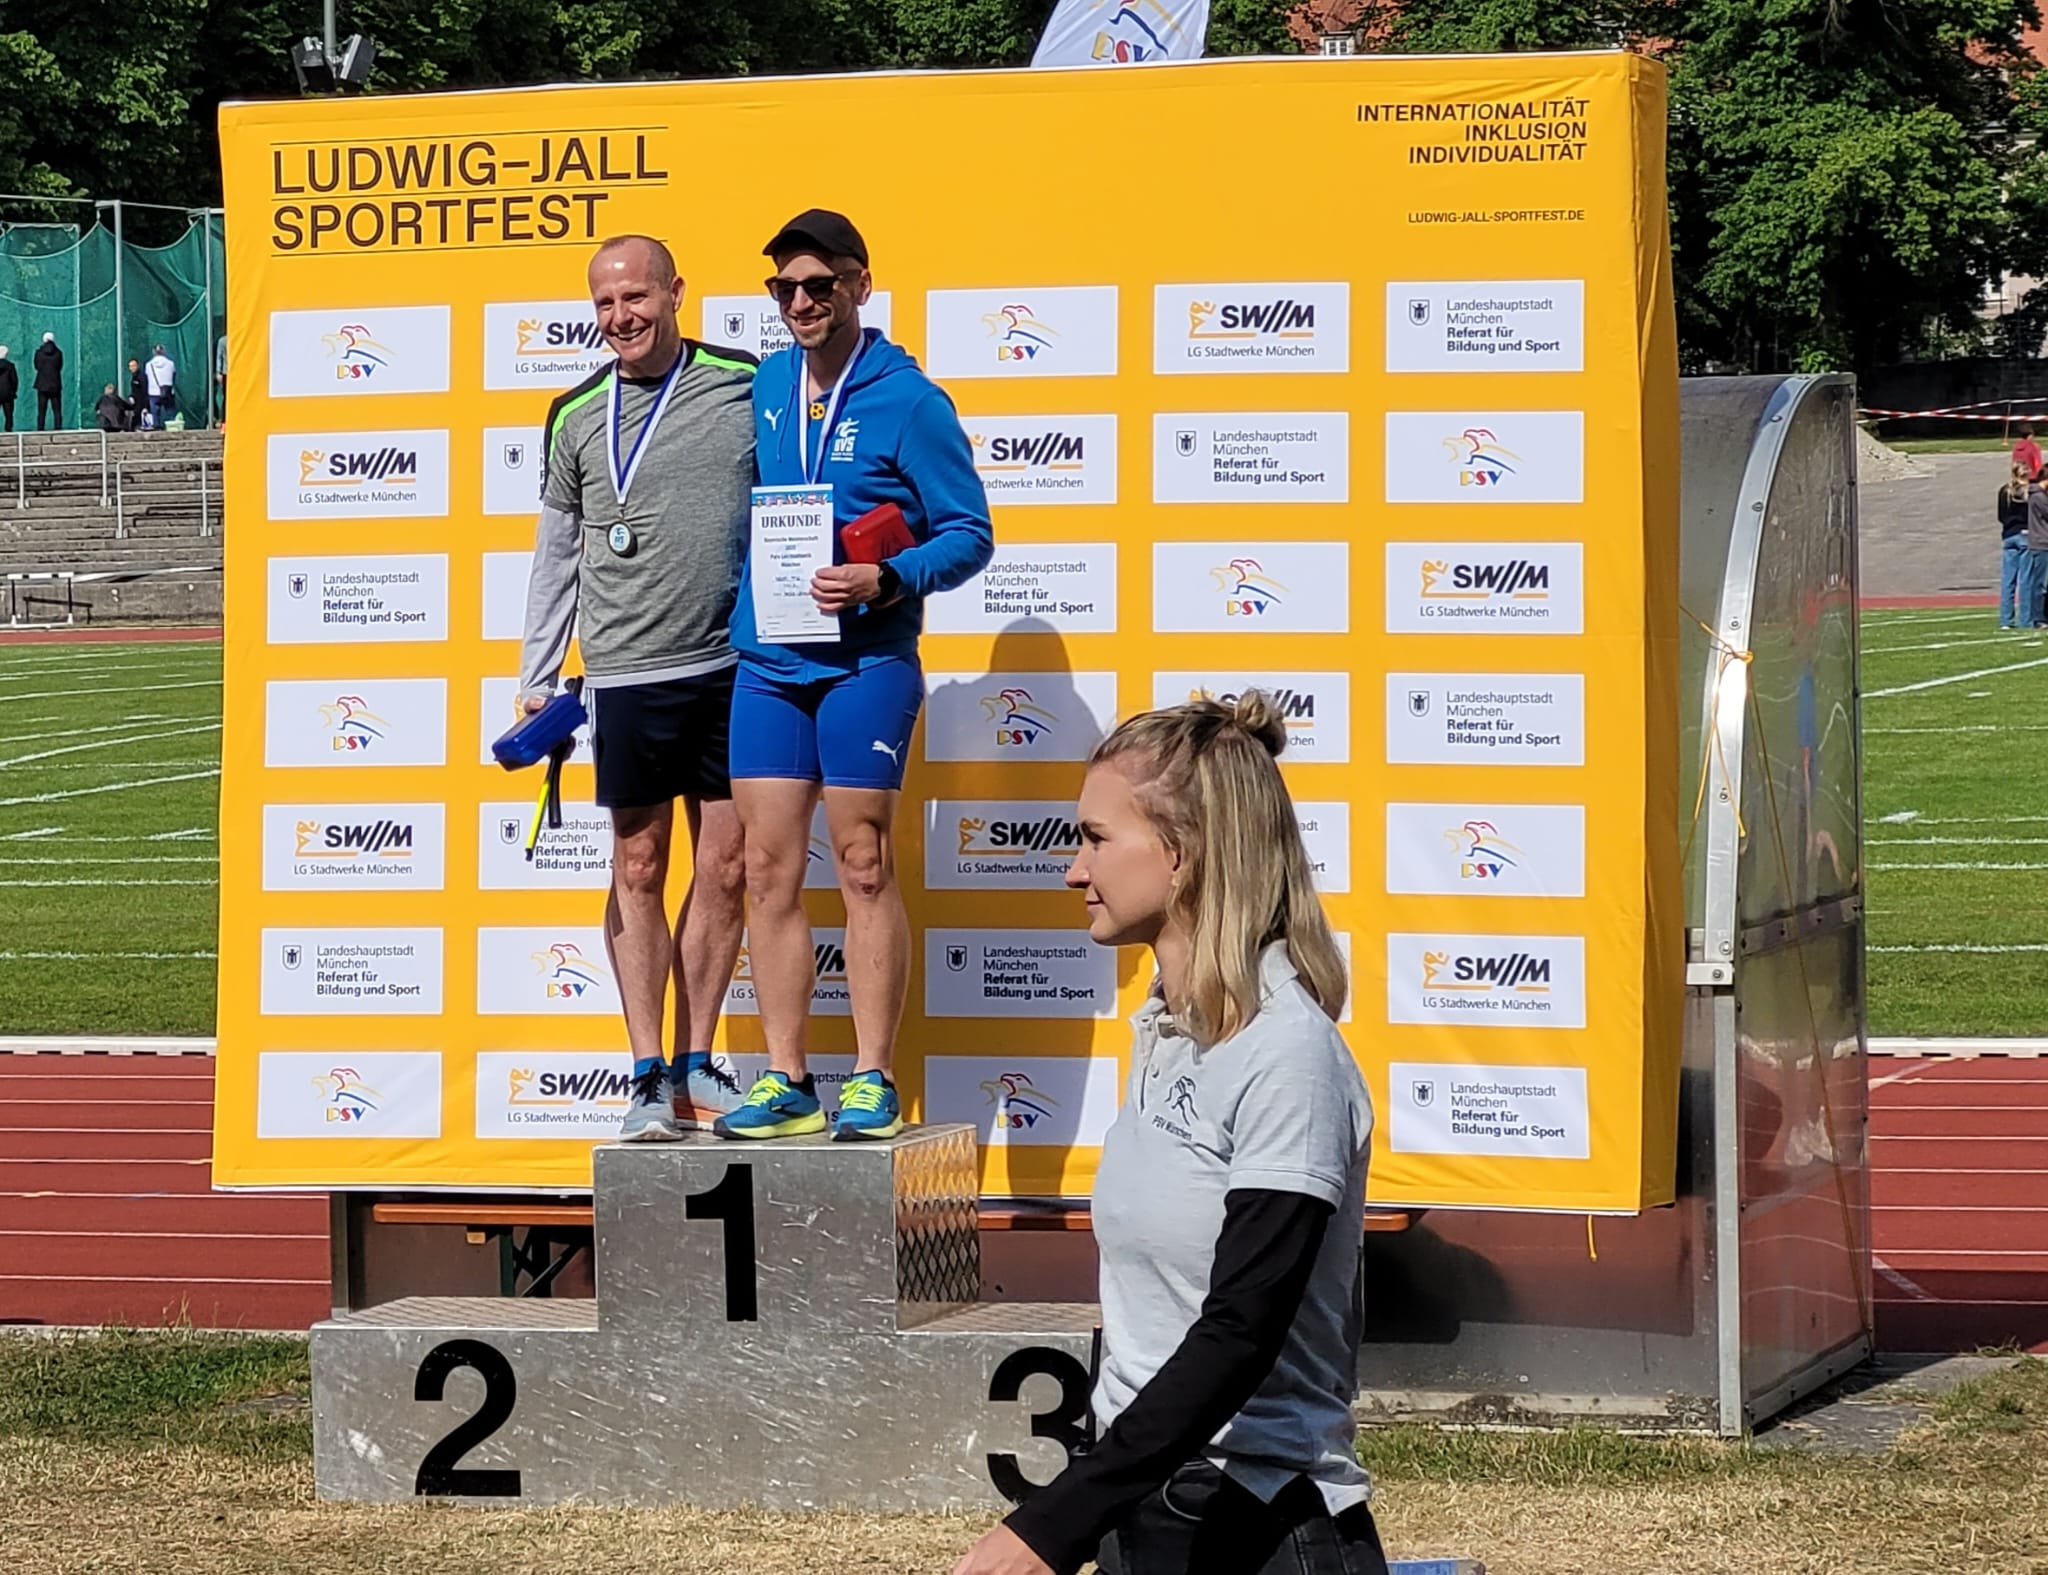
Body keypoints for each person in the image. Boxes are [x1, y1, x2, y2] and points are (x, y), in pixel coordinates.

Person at [952, 695, 1384, 1575]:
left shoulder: (1289, 1055)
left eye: (1095, 838)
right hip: (1142, 1519)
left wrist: (1050, 1523)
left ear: (1180, 857)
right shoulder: (1163, 1032)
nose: (1073, 870)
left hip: (1258, 1532)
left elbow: (1237, 1332)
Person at [714, 209, 993, 1143]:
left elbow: (970, 533)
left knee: (864, 862)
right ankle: (788, 1078)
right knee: (765, 868)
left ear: (860, 286)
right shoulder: (768, 383)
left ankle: (872, 1076)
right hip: (770, 661)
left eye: (818, 286)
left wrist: (890, 576)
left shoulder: (911, 399)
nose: (799, 303)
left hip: (865, 660)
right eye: (783, 289)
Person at [518, 234, 758, 1142]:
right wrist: (537, 678)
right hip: (625, 671)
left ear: (675, 293)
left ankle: (699, 1065)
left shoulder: (743, 384)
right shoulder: (575, 412)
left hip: (734, 668)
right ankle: (647, 1073)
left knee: (729, 869)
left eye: (637, 298)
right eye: (605, 304)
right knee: (639, 867)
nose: (621, 317)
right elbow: (555, 554)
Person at [2001, 464, 2031, 629]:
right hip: (2025, 534)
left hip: (2008, 535)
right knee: (2026, 580)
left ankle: (2006, 620)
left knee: (2008, 580)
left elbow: (2001, 515)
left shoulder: (2005, 491)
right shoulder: (2028, 491)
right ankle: (2025, 619)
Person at [2028, 472, 2048, 631]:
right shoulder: (2038, 497)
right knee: (2040, 583)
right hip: (2041, 543)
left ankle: (2042, 616)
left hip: (2043, 542)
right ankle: (2038, 617)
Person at [33, 332, 61, 430]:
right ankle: (58, 428)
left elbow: (37, 366)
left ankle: (40, 428)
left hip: (42, 384)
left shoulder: (38, 353)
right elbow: (59, 366)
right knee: (57, 409)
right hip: (55, 384)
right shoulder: (58, 353)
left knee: (41, 409)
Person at [145, 344, 177, 431]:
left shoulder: (149, 365)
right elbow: (173, 374)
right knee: (171, 412)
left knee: (155, 412)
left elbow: (147, 375)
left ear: (153, 352)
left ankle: (157, 427)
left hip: (153, 391)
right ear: (163, 351)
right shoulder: (171, 363)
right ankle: (173, 427)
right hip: (168, 391)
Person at [0, 346, 17, 432]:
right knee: (9, 414)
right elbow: (14, 380)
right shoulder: (10, 366)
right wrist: (13, 391)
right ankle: (8, 428)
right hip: (7, 393)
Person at [127, 357, 145, 430]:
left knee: (138, 416)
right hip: (136, 401)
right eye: (130, 366)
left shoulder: (141, 376)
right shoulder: (134, 376)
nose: (132, 368)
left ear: (137, 366)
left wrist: (145, 405)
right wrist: (132, 397)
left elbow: (144, 389)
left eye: (133, 366)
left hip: (141, 401)